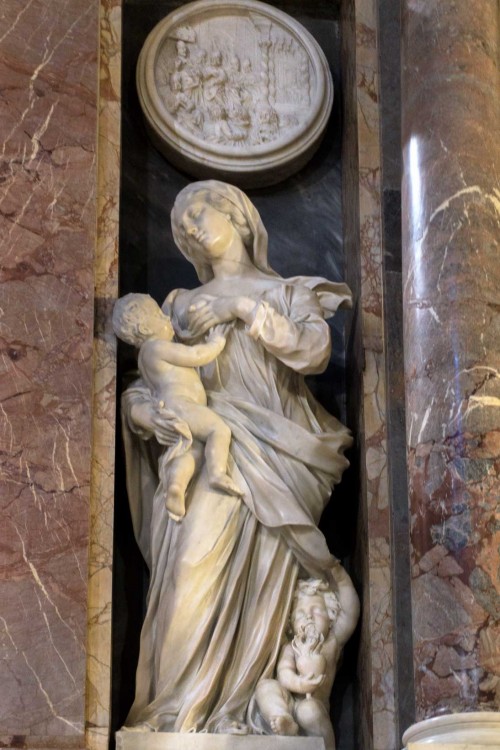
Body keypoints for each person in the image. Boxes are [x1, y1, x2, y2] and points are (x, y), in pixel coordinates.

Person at [121, 180, 357, 735]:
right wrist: (143, 416)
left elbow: (313, 351)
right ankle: (174, 714)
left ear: (240, 217)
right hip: (208, 446)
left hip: (278, 455)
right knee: (187, 572)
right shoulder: (178, 306)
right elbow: (147, 381)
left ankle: (245, 706)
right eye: (181, 225)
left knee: (263, 595)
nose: (192, 226)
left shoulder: (290, 293)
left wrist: (242, 307)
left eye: (201, 211)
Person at [112, 293, 242, 522]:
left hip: (172, 408)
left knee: (191, 450)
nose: (166, 318)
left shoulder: (144, 359)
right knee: (219, 431)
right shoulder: (157, 348)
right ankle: (217, 473)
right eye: (159, 315)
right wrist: (216, 343)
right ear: (144, 327)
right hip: (183, 406)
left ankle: (176, 487)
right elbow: (196, 355)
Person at [254, 566, 359, 750]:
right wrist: (299, 684)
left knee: (308, 711)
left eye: (317, 610)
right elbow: (284, 673)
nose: (309, 616)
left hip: (313, 705)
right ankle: (282, 719)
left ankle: (328, 746)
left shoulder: (332, 642)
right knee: (266, 686)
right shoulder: (290, 647)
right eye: (300, 614)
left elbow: (350, 613)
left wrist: (341, 579)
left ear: (331, 617)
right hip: (289, 702)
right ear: (291, 625)